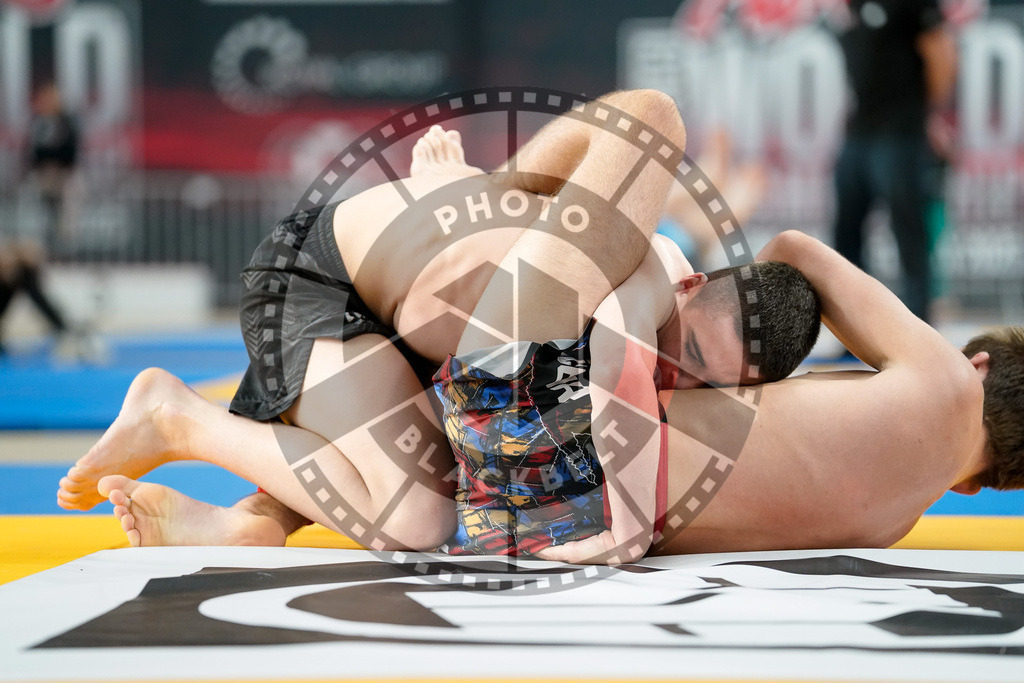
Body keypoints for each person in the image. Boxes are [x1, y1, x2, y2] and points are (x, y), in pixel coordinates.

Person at [58, 90, 819, 555]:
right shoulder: (636, 268)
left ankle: (258, 520)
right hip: (321, 280)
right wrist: (486, 186)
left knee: (433, 494)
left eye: (693, 382)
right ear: (685, 285)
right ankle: (177, 417)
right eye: (682, 354)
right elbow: (647, 120)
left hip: (409, 337)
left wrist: (482, 186)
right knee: (422, 514)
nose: (667, 376)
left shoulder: (618, 290)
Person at [832, 0, 958, 323]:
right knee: (846, 235)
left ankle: (918, 326)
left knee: (908, 231)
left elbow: (941, 52)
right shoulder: (853, 6)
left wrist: (925, 114)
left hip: (901, 132)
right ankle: (854, 328)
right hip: (861, 130)